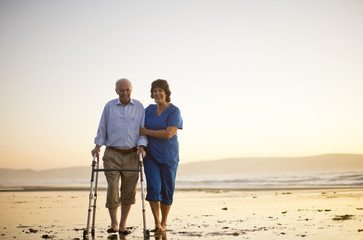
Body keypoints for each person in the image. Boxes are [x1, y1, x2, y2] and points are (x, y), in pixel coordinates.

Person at [91, 78, 147, 235]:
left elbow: (142, 130)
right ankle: (114, 223)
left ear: (131, 90)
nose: (124, 92)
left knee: (129, 191)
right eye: (121, 90)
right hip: (112, 153)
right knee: (113, 189)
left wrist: (142, 146)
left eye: (127, 89)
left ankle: (123, 225)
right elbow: (102, 127)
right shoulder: (109, 106)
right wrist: (97, 146)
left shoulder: (139, 106)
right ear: (116, 91)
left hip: (132, 154)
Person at [140, 79, 183, 232]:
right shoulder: (148, 110)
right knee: (154, 187)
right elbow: (138, 126)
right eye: (155, 91)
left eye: (160, 90)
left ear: (166, 93)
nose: (157, 93)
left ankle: (164, 222)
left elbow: (168, 133)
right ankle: (157, 223)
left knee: (167, 190)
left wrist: (146, 132)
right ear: (152, 94)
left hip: (169, 156)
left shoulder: (174, 111)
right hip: (151, 155)